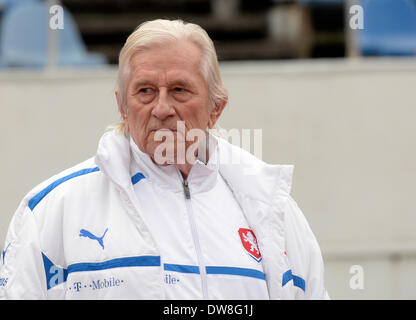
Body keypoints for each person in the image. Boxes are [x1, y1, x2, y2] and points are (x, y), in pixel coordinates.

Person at [0, 19, 329, 300]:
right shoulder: (52, 210)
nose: (161, 108)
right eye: (145, 91)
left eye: (179, 90)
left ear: (216, 108)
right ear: (122, 107)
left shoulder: (273, 209)